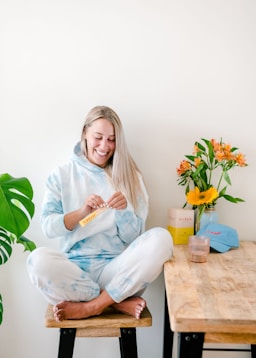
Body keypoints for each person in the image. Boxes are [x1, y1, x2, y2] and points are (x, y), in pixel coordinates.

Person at [27, 105, 173, 322]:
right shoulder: (62, 174)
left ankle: (92, 306)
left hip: (116, 271)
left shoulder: (130, 176)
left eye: (112, 139)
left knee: (163, 238)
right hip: (75, 273)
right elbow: (48, 227)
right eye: (98, 137)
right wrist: (81, 212)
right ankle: (115, 302)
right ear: (85, 133)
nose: (105, 146)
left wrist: (123, 212)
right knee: (36, 261)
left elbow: (134, 238)